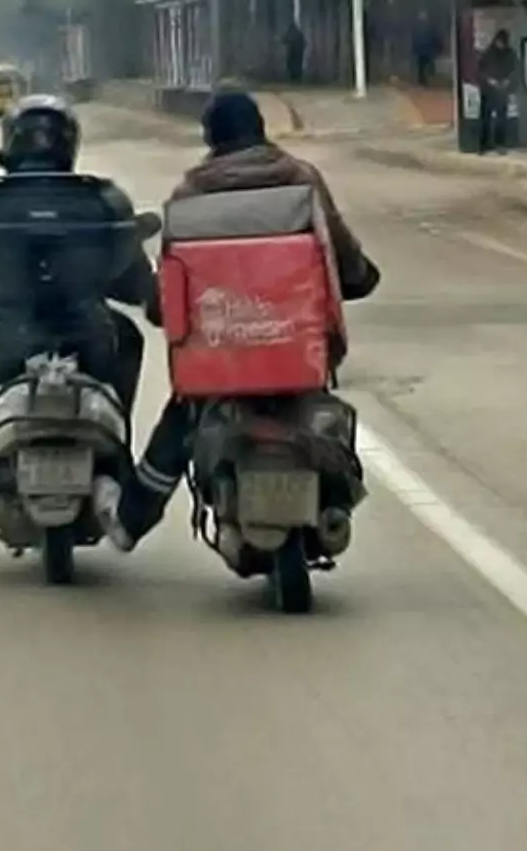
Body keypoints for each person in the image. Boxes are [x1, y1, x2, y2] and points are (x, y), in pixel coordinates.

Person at [100, 90, 380, 553]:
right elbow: (338, 252)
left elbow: (173, 278)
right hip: (294, 350)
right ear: (260, 128)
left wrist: (161, 310)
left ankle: (130, 524)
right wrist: (361, 278)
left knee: (182, 421)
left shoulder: (192, 191)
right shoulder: (300, 178)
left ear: (209, 137)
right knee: (325, 421)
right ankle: (332, 506)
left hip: (222, 358)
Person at [0, 94, 157, 500]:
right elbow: (134, 283)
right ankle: (117, 450)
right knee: (129, 338)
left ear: (9, 142)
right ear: (70, 143)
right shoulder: (101, 202)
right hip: (91, 337)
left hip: (5, 340)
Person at [477, 29, 516, 154]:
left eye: (503, 42)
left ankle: (499, 144)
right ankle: (483, 145)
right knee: (485, 119)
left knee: (501, 119)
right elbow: (480, 71)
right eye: (500, 42)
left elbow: (515, 69)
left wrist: (508, 80)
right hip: (488, 91)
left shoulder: (509, 53)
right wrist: (490, 80)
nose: (501, 45)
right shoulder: (488, 53)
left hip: (500, 91)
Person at [411, 11, 439, 87]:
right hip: (422, 49)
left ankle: (425, 79)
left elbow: (434, 36)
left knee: (426, 65)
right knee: (422, 66)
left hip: (426, 49)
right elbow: (415, 38)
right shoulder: (418, 26)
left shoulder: (428, 26)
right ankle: (423, 80)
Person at [283, 19, 306, 83]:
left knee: (291, 66)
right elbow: (304, 43)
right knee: (298, 66)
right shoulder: (299, 33)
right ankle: (298, 79)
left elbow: (285, 40)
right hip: (299, 53)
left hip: (292, 53)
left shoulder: (290, 33)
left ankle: (293, 79)